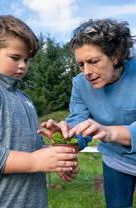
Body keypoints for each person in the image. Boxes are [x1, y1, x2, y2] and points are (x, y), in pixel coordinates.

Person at [0, 15, 79, 208]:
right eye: (15, 58)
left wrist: (53, 159)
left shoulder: (24, 99)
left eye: (27, 59)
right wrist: (34, 161)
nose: (22, 65)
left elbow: (28, 151)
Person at [37, 18, 136, 208]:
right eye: (81, 64)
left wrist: (109, 132)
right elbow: (79, 122)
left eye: (93, 61)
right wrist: (64, 135)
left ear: (115, 55)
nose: (87, 72)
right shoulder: (80, 84)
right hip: (115, 160)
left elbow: (106, 131)